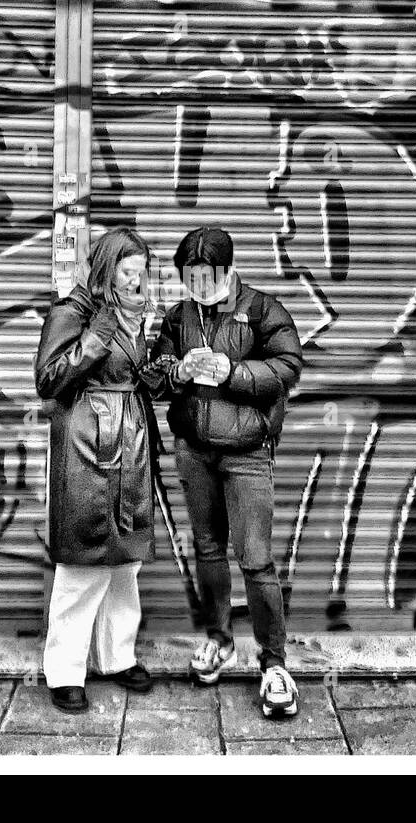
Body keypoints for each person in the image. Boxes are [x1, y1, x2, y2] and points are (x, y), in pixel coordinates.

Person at [150, 227, 305, 718]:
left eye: (205, 276)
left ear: (227, 270)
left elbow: (288, 367)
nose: (196, 284)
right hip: (194, 451)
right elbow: (155, 373)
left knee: (256, 559)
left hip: (247, 453)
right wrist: (178, 370)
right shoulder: (178, 316)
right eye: (188, 277)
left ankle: (274, 662)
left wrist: (231, 372)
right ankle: (219, 640)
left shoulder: (262, 310)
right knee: (209, 550)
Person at [34, 227, 167, 714]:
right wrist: (92, 340)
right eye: (128, 272)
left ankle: (117, 656)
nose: (137, 281)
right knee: (83, 561)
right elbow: (48, 380)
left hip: (129, 442)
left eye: (142, 273)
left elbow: (128, 376)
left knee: (125, 559)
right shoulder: (72, 311)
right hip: (87, 445)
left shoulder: (132, 316)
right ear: (107, 270)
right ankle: (65, 670)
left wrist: (159, 372)